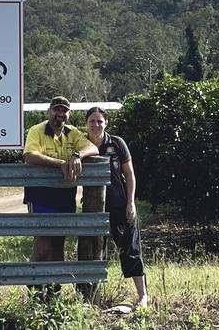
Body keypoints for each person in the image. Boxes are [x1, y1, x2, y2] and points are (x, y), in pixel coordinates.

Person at [23, 96, 100, 301]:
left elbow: (93, 148)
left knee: (58, 247)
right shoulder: (36, 131)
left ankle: (54, 295)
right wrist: (60, 164)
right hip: (40, 194)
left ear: (69, 113)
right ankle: (35, 295)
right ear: (49, 112)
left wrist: (77, 155)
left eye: (64, 110)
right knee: (42, 247)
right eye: (56, 109)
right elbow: (30, 156)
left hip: (65, 195)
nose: (60, 113)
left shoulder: (72, 132)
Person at [85, 106, 149, 309]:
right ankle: (92, 299)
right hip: (94, 210)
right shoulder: (80, 144)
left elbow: (129, 175)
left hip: (120, 205)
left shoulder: (117, 143)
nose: (96, 125)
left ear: (106, 123)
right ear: (86, 123)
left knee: (130, 250)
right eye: (92, 121)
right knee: (94, 252)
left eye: (99, 121)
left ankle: (143, 296)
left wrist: (131, 202)